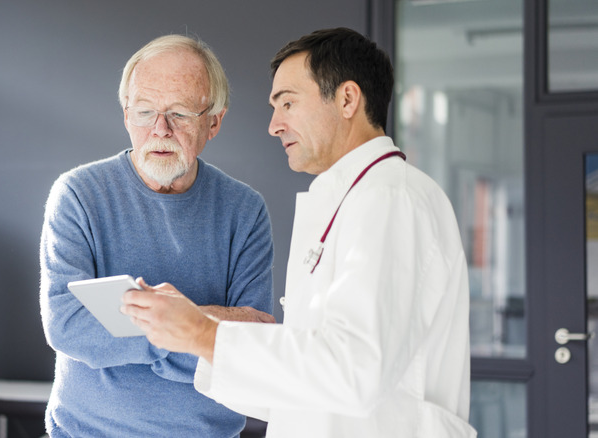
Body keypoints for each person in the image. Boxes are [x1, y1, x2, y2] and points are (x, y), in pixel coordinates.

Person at [121, 27, 477, 437]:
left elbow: (354, 371)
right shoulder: (350, 198)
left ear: (347, 99)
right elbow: (303, 388)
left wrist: (204, 334)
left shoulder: (392, 197)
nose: (274, 126)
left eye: (287, 103)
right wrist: (190, 328)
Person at [39, 34, 275, 437]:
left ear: (214, 122)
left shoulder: (245, 211)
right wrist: (192, 330)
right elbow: (67, 324)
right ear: (126, 116)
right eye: (145, 111)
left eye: (180, 113)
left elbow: (254, 340)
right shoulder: (78, 194)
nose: (160, 129)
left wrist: (134, 326)